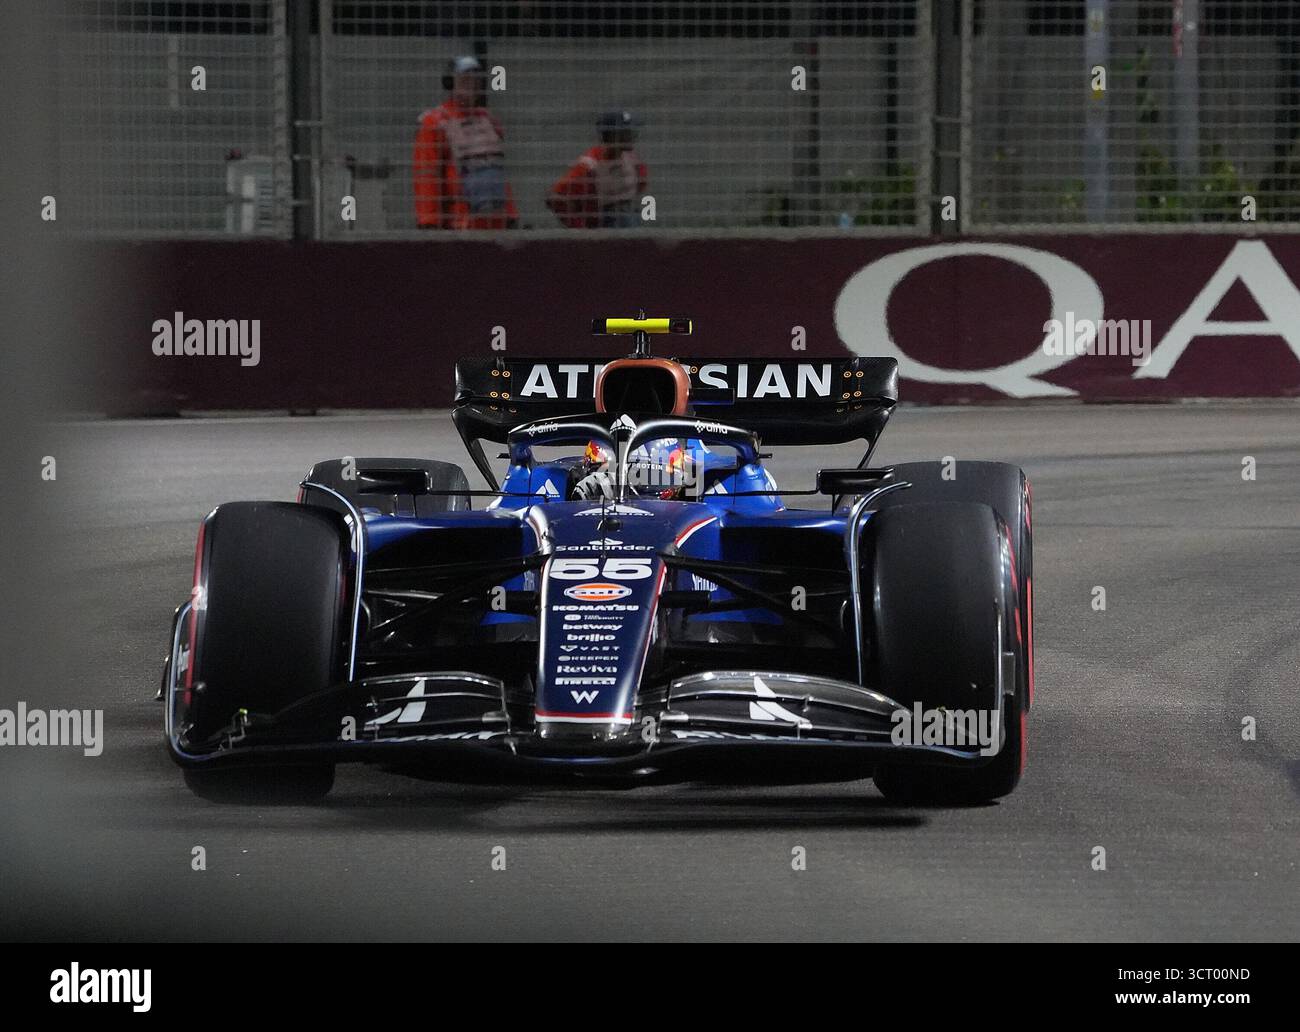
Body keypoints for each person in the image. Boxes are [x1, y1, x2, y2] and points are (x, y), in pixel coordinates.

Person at [412, 55, 517, 230]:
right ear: (450, 82)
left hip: (496, 222)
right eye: (465, 77)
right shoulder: (435, 122)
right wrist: (429, 223)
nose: (471, 82)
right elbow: (427, 175)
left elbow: (497, 170)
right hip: (459, 225)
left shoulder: (488, 120)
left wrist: (511, 215)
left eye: (476, 78)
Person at [547, 110, 647, 229]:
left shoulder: (632, 158)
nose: (632, 135)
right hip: (604, 223)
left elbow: (641, 183)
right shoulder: (589, 165)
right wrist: (581, 229)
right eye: (626, 132)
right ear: (612, 136)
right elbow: (554, 198)